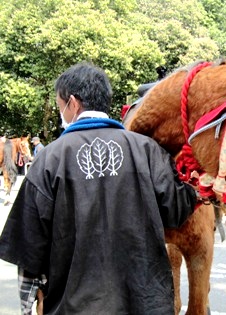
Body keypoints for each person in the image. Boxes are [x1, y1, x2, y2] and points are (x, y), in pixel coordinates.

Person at [0, 63, 198, 314]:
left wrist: (29, 304)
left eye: (60, 106)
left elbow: (30, 244)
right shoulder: (147, 151)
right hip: (144, 303)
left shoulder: (50, 159)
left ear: (72, 103)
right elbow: (177, 211)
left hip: (74, 306)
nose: (61, 112)